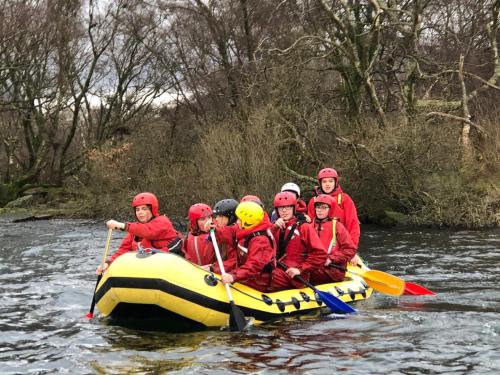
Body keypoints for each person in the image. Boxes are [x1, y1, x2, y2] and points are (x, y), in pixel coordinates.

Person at [96, 192, 182, 274]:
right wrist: (108, 263)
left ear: (153, 210)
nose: (140, 212)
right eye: (137, 210)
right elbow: (123, 250)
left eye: (144, 209)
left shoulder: (163, 222)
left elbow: (148, 231)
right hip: (146, 268)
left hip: (168, 267)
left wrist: (121, 225)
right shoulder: (134, 231)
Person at [268, 191, 326, 291]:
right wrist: (274, 228)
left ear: (294, 208)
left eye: (288, 208)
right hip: (279, 268)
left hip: (296, 276)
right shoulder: (274, 227)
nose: (284, 211)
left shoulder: (304, 227)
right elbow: (263, 245)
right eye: (281, 208)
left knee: (267, 277)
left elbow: (320, 254)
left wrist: (300, 269)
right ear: (276, 210)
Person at [214, 201, 276, 292]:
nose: (237, 222)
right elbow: (230, 232)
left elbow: (254, 266)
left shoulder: (261, 241)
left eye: (239, 219)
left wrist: (233, 276)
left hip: (258, 282)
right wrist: (215, 229)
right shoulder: (244, 228)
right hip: (245, 277)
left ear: (248, 221)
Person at [307, 167, 361, 251]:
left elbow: (353, 225)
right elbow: (309, 227)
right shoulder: (313, 201)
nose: (327, 184)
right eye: (324, 181)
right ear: (320, 183)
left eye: (330, 181)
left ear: (335, 182)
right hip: (319, 245)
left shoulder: (345, 199)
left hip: (341, 245)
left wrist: (352, 249)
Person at [308, 194, 357, 283]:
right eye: (318, 207)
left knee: (307, 273)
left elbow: (350, 249)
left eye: (324, 207)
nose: (320, 210)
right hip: (315, 267)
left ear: (330, 209)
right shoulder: (309, 227)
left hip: (333, 270)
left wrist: (331, 259)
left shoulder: (337, 226)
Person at [201, 198, 239, 272]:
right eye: (217, 216)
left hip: (231, 277)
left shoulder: (235, 237)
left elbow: (234, 262)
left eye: (220, 216)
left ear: (231, 218)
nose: (217, 219)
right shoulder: (219, 232)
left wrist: (212, 268)